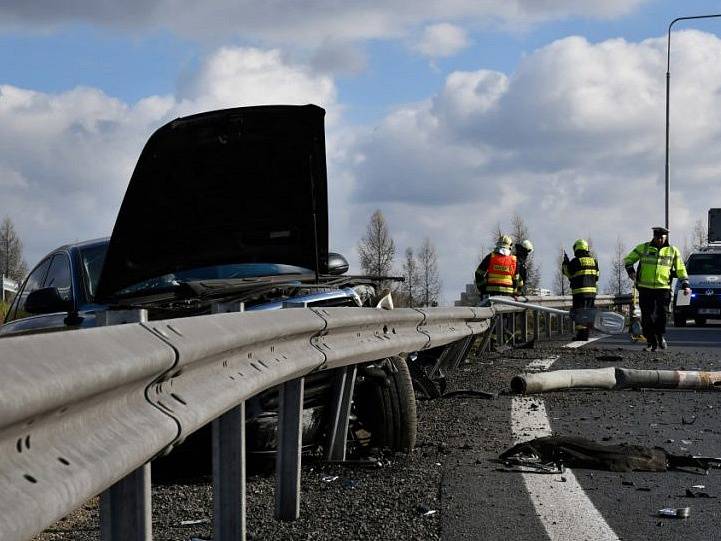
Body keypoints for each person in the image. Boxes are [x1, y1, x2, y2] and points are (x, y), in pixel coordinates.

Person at [624, 226, 691, 352]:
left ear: (666, 237)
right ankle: (651, 341)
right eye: (657, 237)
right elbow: (628, 260)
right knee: (647, 317)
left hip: (663, 288)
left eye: (661, 237)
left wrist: (685, 284)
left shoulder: (672, 251)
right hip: (645, 288)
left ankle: (659, 336)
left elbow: (680, 268)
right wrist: (631, 271)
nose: (659, 239)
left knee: (662, 315)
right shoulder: (643, 248)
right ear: (653, 236)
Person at [562, 239, 599, 341]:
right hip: (592, 293)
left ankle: (581, 336)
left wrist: (565, 263)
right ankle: (586, 333)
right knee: (589, 314)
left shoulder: (576, 261)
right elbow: (597, 277)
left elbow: (568, 273)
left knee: (580, 314)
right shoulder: (594, 261)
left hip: (580, 293)